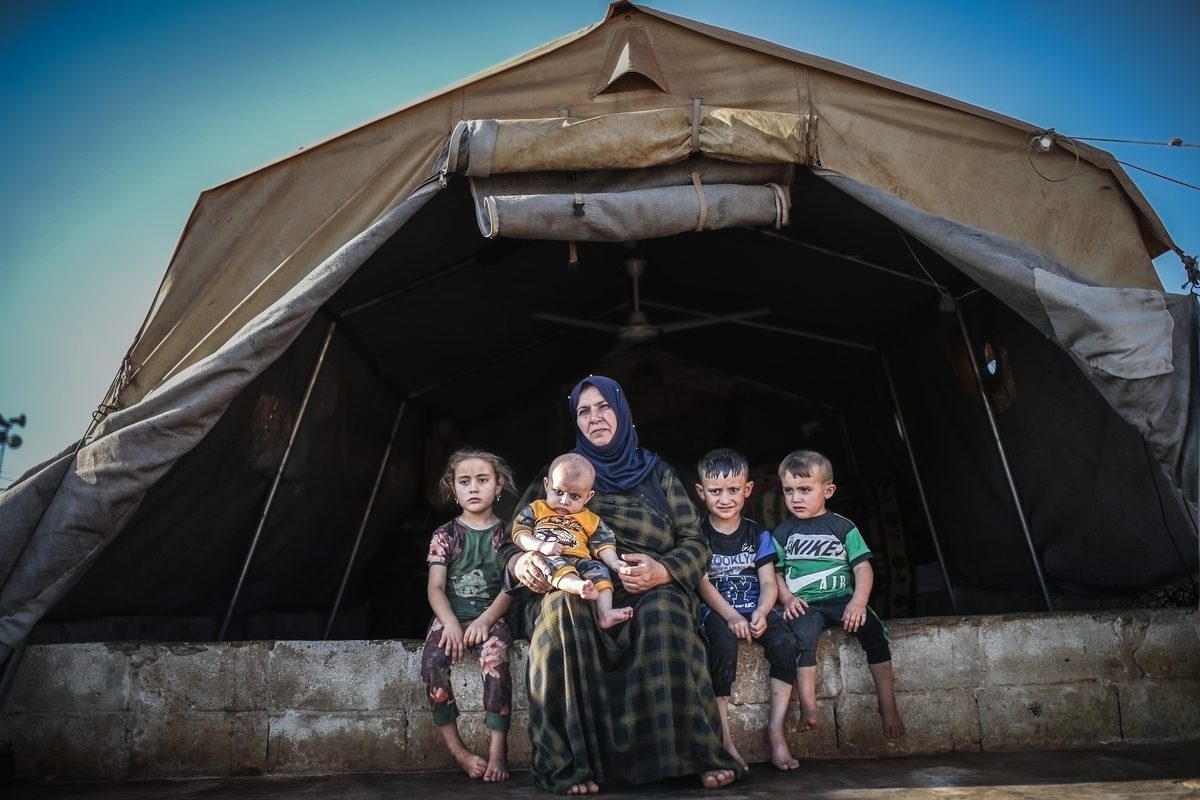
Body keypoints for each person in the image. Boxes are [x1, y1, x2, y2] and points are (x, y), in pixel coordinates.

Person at [505, 375, 742, 794]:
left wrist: (663, 571)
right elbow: (513, 536)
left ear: (622, 411)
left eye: (603, 407)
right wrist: (523, 561)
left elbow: (696, 541)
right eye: (584, 411)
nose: (595, 418)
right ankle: (570, 766)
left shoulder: (658, 473)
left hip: (649, 585)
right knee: (560, 613)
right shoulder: (557, 475)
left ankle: (694, 755)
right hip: (574, 584)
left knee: (666, 612)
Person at [772, 449, 906, 740]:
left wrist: (858, 602)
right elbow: (776, 573)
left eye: (805, 490)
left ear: (828, 490)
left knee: (875, 634)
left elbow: (863, 569)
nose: (796, 498)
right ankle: (809, 707)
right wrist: (788, 599)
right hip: (805, 603)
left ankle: (888, 707)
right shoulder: (783, 532)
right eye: (789, 491)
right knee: (801, 639)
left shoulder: (843, 528)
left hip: (842, 599)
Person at [694, 447, 801, 771]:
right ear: (701, 493)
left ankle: (776, 729)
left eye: (733, 491)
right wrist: (731, 616)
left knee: (785, 643)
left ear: (747, 490)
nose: (724, 499)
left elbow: (769, 582)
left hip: (755, 608)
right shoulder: (697, 536)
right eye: (715, 492)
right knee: (722, 648)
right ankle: (725, 738)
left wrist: (762, 611)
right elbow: (702, 584)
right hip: (719, 612)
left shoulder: (758, 534)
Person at [421, 447, 517, 782]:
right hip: (451, 615)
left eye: (482, 480)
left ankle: (497, 750)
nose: (473, 488)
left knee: (494, 658)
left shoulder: (509, 535)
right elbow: (435, 588)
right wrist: (449, 623)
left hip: (490, 617)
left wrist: (485, 621)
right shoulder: (445, 535)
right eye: (464, 481)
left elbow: (510, 588)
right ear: (453, 487)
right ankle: (458, 751)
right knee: (432, 661)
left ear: (498, 484)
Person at [511, 452, 635, 630]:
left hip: (581, 560)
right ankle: (576, 586)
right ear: (547, 485)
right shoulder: (537, 508)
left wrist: (615, 562)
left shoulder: (589, 518)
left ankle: (605, 612)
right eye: (558, 492)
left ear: (589, 496)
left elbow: (603, 543)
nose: (564, 501)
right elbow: (519, 533)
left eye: (574, 496)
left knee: (600, 570)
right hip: (547, 556)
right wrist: (540, 546)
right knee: (552, 564)